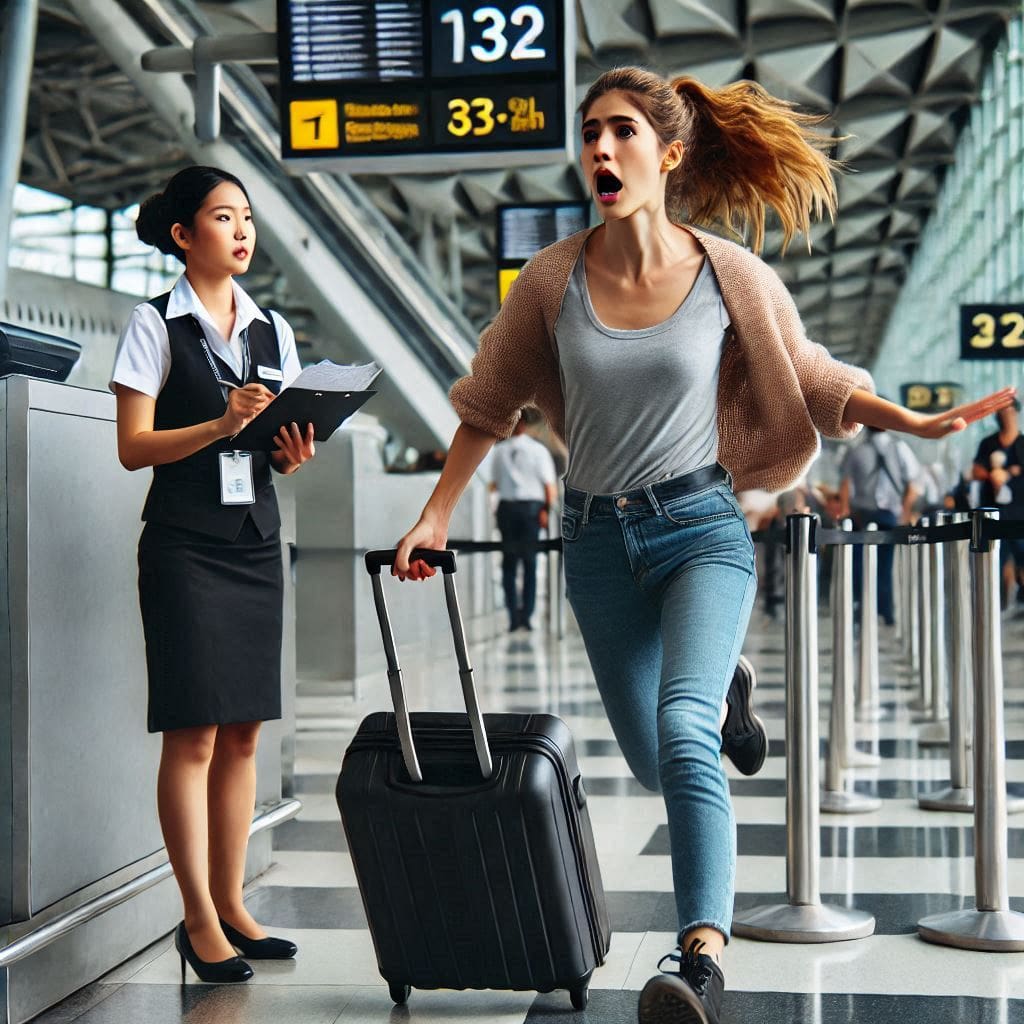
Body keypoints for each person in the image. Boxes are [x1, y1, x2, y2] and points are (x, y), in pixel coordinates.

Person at [390, 67, 1014, 1024]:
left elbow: (811, 376)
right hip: (594, 540)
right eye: (590, 132)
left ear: (668, 153)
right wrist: (437, 512)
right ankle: (726, 691)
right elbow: (489, 400)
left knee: (683, 736)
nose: (601, 149)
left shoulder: (729, 274)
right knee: (650, 756)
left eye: (623, 132)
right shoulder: (552, 281)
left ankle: (701, 957)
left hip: (701, 528)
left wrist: (913, 424)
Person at [111, 166, 316, 984]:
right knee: (194, 732)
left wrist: (289, 454)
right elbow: (132, 447)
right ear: (182, 235)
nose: (241, 232)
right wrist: (219, 423)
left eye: (247, 218)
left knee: (244, 732)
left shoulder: (272, 330)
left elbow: (279, 444)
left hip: (256, 541)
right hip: (187, 545)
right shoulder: (154, 323)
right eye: (222, 217)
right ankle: (196, 918)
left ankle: (232, 904)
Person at [839, 423, 921, 626]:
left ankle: (871, 606)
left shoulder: (860, 448)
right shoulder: (894, 447)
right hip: (876, 514)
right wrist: (905, 510)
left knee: (868, 564)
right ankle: (876, 608)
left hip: (873, 514)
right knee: (876, 564)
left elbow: (845, 483)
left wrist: (845, 509)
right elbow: (913, 483)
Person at [489, 409, 558, 631]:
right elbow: (549, 487)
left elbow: (494, 485)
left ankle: (513, 617)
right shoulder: (538, 450)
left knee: (509, 564)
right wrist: (546, 510)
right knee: (529, 563)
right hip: (530, 510)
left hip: (507, 509)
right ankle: (526, 616)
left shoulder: (499, 451)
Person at [972, 398, 1024, 607]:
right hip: (994, 513)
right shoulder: (988, 443)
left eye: (1010, 412)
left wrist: (1013, 472)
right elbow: (976, 471)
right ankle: (997, 601)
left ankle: (1020, 599)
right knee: (996, 558)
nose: (1006, 417)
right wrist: (992, 475)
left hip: (1020, 511)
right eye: (1002, 413)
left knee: (1022, 555)